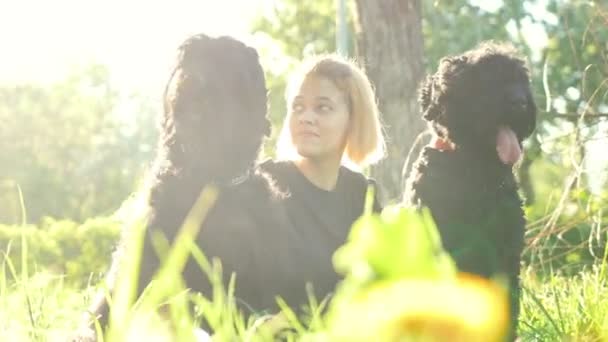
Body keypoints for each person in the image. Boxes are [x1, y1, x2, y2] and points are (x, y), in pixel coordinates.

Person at [75, 33, 278, 339]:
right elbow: (101, 323)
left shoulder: (267, 219)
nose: (196, 114)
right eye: (189, 105)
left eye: (210, 101)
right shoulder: (158, 215)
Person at [259, 53, 386, 308]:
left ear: (353, 118)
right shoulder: (265, 184)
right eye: (298, 107)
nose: (306, 117)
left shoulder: (362, 194)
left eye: (323, 107)